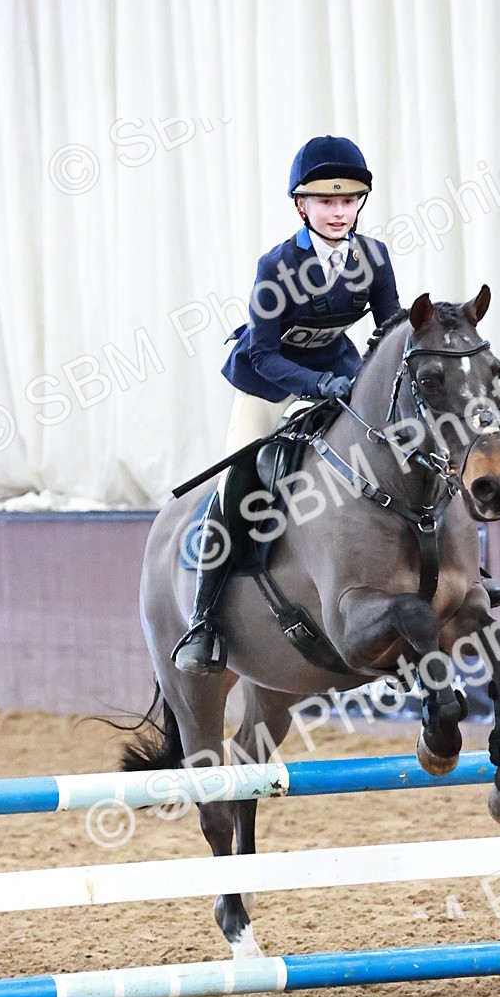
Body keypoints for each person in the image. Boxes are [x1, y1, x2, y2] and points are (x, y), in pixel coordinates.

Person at [173, 135, 400, 674]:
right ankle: (203, 618)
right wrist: (318, 385)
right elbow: (264, 351)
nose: (339, 211)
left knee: (403, 441)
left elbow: (389, 327)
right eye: (326, 202)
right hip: (268, 378)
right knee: (240, 479)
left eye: (348, 201)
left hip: (338, 366)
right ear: (302, 205)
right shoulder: (277, 265)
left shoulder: (373, 256)